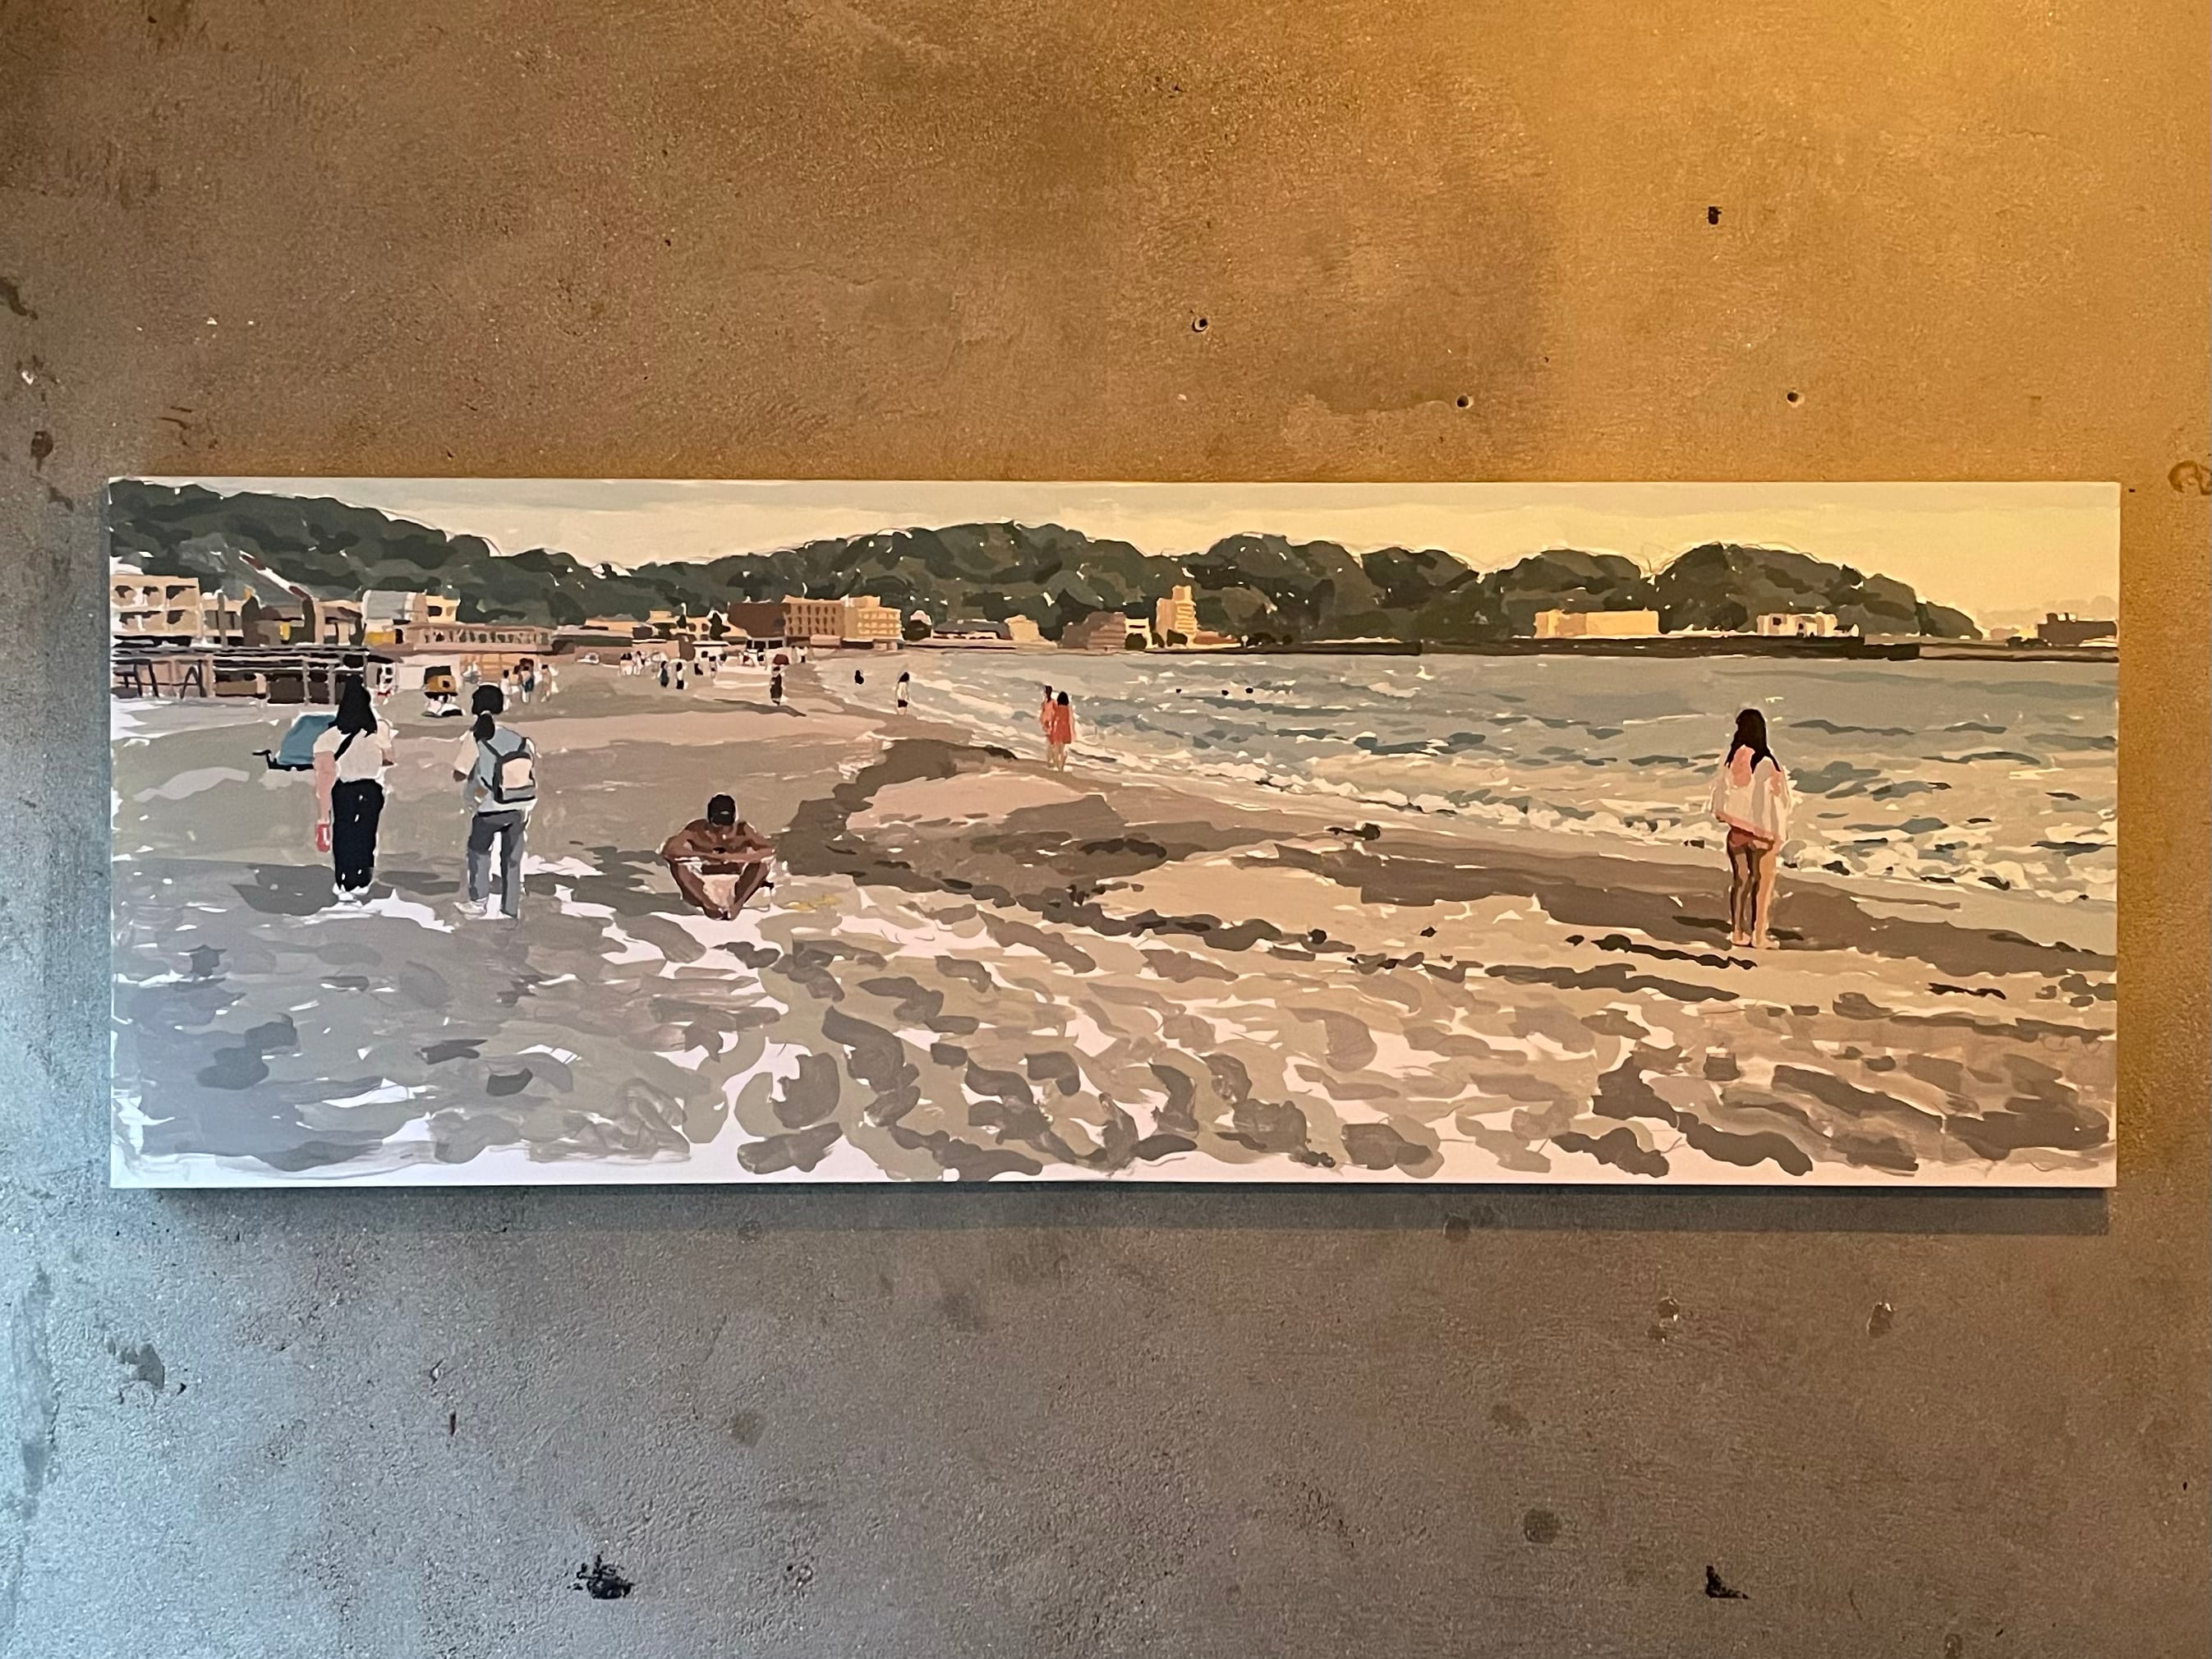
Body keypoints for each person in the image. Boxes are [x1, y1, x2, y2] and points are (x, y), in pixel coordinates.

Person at [1709, 708, 1793, 949]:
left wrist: (1731, 820)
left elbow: (1722, 796)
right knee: (1762, 885)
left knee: (1740, 883)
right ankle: (1758, 935)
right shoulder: (1767, 762)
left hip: (1736, 833)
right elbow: (1774, 803)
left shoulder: (1733, 759)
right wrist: (1776, 836)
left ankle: (1737, 932)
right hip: (1761, 835)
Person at [452, 685, 536, 920]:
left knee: (478, 852)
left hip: (489, 806)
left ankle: (478, 902)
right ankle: (510, 907)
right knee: (512, 859)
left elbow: (459, 772)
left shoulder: (475, 737)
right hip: (519, 805)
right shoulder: (519, 739)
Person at [312, 677, 396, 903]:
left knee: (344, 836)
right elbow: (389, 758)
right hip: (371, 789)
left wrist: (322, 816)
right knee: (366, 835)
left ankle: (344, 882)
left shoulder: (329, 736)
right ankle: (362, 880)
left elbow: (325, 775)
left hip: (344, 790)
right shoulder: (380, 729)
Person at [661, 793, 775, 920]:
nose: (722, 829)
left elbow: (768, 851)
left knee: (762, 866)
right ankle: (709, 906)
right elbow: (669, 850)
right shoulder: (696, 829)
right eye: (717, 824)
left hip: (737, 885)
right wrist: (705, 856)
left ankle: (737, 905)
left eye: (726, 825)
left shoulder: (743, 829)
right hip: (702, 886)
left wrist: (730, 857)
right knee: (678, 865)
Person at [1045, 690, 1074, 771]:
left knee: (1057, 748)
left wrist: (1050, 729)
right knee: (1062, 748)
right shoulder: (1067, 709)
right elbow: (1070, 721)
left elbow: (1054, 720)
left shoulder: (1058, 709)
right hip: (1065, 730)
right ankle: (1062, 764)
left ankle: (1057, 765)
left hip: (1058, 730)